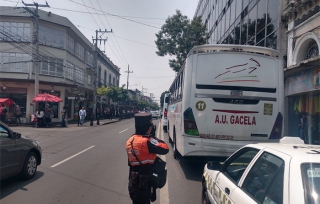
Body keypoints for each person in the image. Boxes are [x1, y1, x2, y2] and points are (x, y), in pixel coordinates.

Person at [126, 112, 169, 204]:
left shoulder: (130, 140)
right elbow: (165, 148)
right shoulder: (147, 141)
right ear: (149, 128)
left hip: (133, 182)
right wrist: (153, 137)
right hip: (144, 184)